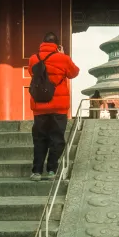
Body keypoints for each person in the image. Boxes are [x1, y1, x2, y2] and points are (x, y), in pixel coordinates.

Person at [28, 32, 79, 181]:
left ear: (42, 42)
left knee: (39, 138)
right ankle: (51, 170)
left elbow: (32, 72)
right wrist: (62, 55)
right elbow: (74, 73)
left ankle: (37, 171)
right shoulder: (63, 59)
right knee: (56, 138)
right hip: (59, 107)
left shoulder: (33, 58)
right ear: (57, 45)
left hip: (39, 106)